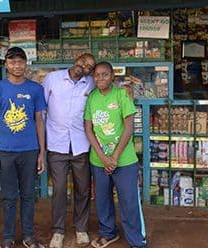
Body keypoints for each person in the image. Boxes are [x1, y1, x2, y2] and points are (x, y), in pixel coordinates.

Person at [0, 46, 47, 248]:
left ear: (25, 64)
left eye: (20, 61)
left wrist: (41, 153)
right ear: (6, 65)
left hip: (29, 151)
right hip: (5, 152)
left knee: (29, 195)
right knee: (9, 196)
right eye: (12, 62)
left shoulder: (35, 89)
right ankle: (8, 237)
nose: (17, 65)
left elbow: (39, 121)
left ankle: (29, 236)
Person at [84, 62, 146, 248]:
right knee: (103, 201)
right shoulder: (92, 98)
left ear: (112, 76)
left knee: (129, 202)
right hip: (98, 161)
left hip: (125, 161)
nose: (100, 78)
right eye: (96, 75)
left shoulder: (121, 95)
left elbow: (128, 127)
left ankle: (137, 241)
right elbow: (88, 129)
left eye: (104, 75)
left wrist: (115, 156)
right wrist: (103, 158)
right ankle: (108, 233)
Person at [43, 53, 97, 248]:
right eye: (83, 61)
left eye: (89, 66)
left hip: (81, 144)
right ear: (76, 59)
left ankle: (81, 228)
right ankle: (58, 231)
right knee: (58, 190)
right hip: (56, 144)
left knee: (82, 188)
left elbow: (109, 88)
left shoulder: (90, 83)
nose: (84, 66)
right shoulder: (52, 78)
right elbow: (41, 109)